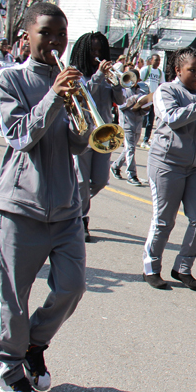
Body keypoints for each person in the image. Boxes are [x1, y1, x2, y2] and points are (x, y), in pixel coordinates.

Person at [0, 2, 89, 392]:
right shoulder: (9, 79)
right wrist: (53, 97)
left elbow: (78, 144)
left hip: (65, 206)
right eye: (46, 32)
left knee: (72, 286)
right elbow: (19, 135)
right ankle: (9, 372)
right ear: (26, 35)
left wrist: (88, 115)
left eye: (60, 34)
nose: (54, 41)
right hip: (21, 206)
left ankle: (34, 343)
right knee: (14, 297)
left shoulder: (70, 82)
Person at [143, 46, 196, 291]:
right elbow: (174, 118)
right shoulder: (166, 90)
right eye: (192, 70)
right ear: (178, 69)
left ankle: (183, 268)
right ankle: (151, 267)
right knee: (164, 221)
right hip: (167, 163)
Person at [69, 32, 123, 242]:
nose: (97, 54)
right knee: (81, 181)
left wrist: (117, 84)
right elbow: (82, 97)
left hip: (104, 133)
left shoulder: (108, 75)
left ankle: (73, 204)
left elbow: (120, 100)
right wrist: (99, 76)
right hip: (83, 133)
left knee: (100, 180)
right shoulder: (75, 74)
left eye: (100, 50)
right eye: (93, 50)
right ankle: (81, 218)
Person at [111, 69, 150, 187]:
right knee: (130, 149)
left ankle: (115, 166)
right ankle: (131, 175)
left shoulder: (142, 90)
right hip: (126, 124)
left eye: (134, 78)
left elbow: (144, 110)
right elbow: (121, 106)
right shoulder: (123, 90)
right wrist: (133, 99)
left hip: (137, 124)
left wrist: (145, 107)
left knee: (129, 149)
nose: (132, 81)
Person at [139, 54, 164, 150]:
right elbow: (139, 82)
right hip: (144, 99)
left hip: (153, 99)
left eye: (159, 61)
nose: (157, 62)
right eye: (156, 60)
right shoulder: (145, 70)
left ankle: (145, 140)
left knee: (150, 121)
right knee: (140, 119)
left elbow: (161, 84)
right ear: (151, 60)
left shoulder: (160, 73)